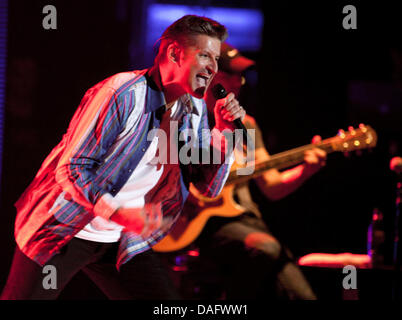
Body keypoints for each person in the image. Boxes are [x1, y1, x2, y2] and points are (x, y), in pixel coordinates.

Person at [0, 15, 246, 300]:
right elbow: (72, 169)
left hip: (124, 240)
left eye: (215, 59)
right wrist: (118, 212)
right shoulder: (121, 93)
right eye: (204, 55)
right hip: (65, 226)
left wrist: (226, 135)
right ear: (174, 53)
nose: (213, 68)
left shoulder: (195, 110)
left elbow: (209, 187)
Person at [180, 43, 327, 300]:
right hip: (199, 223)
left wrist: (306, 169)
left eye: (241, 76)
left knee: (301, 294)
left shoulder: (246, 125)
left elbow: (272, 185)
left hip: (246, 221)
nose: (239, 82)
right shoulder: (185, 118)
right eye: (230, 74)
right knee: (265, 248)